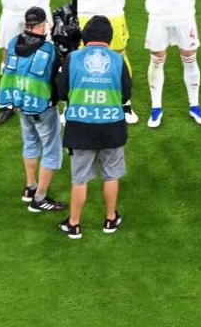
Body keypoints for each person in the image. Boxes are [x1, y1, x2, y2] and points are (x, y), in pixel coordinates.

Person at [57, 16, 131, 239]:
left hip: (80, 126)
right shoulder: (118, 60)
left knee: (79, 179)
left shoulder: (72, 59)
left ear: (85, 37)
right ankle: (110, 219)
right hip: (111, 126)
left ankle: (74, 224)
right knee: (110, 175)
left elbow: (61, 93)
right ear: (109, 38)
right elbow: (126, 94)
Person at [0, 7, 66, 212]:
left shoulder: (13, 42)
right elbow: (59, 76)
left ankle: (30, 187)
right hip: (42, 108)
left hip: (20, 104)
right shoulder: (47, 49)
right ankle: (40, 198)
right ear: (42, 24)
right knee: (52, 151)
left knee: (30, 143)